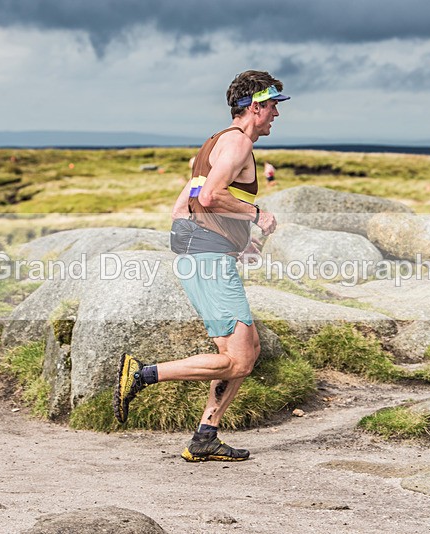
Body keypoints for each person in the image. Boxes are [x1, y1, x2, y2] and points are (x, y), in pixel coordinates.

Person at [114, 70, 287, 462]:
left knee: (247, 351)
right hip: (207, 260)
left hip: (204, 255)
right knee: (238, 360)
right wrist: (255, 214)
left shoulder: (214, 144)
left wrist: (230, 240)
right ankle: (141, 374)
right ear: (255, 106)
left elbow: (184, 205)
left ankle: (206, 435)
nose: (277, 112)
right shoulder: (239, 144)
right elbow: (210, 196)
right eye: (273, 104)